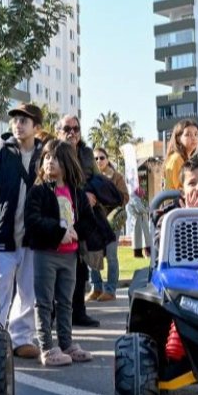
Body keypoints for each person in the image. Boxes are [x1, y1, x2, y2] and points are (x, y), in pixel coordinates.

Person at [23, 139, 96, 367]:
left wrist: (77, 233)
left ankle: (67, 343)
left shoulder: (76, 193)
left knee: (66, 301)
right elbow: (33, 220)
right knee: (44, 302)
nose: (49, 162)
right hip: (46, 253)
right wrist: (58, 232)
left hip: (70, 255)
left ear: (66, 163)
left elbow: (88, 221)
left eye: (55, 158)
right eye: (46, 158)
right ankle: (46, 347)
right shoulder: (38, 191)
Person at [0, 103, 44, 358]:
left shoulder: (45, 155)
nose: (17, 124)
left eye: (24, 121)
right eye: (15, 120)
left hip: (32, 237)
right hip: (2, 233)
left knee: (29, 290)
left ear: (36, 127)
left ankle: (21, 338)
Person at [58, 114, 117, 328]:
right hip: (59, 214)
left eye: (76, 128)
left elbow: (93, 178)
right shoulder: (54, 151)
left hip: (82, 217)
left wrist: (92, 195)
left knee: (81, 266)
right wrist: (83, 195)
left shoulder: (86, 152)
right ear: (59, 131)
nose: (72, 133)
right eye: (67, 128)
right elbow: (54, 180)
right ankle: (58, 314)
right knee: (59, 267)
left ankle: (79, 312)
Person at [87, 147, 128, 302]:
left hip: (111, 222)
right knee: (92, 255)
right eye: (95, 158)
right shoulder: (89, 177)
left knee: (111, 256)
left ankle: (110, 290)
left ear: (107, 159)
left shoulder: (116, 177)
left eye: (102, 158)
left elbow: (125, 197)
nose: (99, 161)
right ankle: (96, 288)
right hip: (93, 221)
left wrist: (107, 197)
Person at [163, 118, 198, 191]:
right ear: (178, 138)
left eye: (196, 134)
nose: (193, 138)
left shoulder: (183, 158)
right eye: (188, 134)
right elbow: (181, 188)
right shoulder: (176, 158)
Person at [126, 187, 152, 259]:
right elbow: (140, 209)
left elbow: (144, 206)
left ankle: (146, 252)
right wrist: (148, 209)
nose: (142, 195)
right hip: (138, 220)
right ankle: (138, 254)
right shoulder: (134, 198)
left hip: (142, 219)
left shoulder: (138, 197)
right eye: (142, 193)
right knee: (138, 238)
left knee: (145, 236)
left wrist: (146, 208)